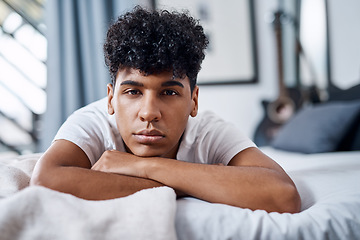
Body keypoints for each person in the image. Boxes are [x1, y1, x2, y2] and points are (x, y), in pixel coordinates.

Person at [31, 6, 301, 213]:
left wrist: (140, 166)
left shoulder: (208, 131)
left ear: (194, 101)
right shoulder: (91, 121)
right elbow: (46, 181)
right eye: (133, 92)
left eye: (169, 92)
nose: (149, 112)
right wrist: (189, 183)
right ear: (111, 99)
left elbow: (284, 196)